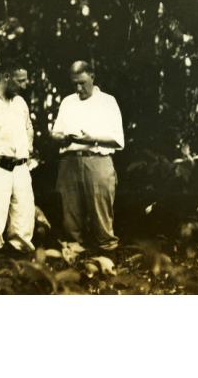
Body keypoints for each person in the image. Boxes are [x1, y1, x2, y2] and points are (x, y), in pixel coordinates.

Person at [51, 60, 124, 252]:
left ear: (92, 76)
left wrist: (92, 139)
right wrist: (61, 137)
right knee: (71, 215)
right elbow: (56, 132)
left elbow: (118, 140)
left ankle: (108, 257)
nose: (78, 87)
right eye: (74, 83)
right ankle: (76, 260)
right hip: (70, 162)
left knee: (101, 214)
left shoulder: (108, 101)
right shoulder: (68, 101)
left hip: (97, 160)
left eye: (82, 82)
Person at [0, 59, 36, 254]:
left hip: (20, 168)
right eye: (21, 80)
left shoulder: (20, 103)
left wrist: (27, 151)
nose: (25, 85)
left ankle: (20, 263)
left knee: (23, 217)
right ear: (6, 76)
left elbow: (28, 127)